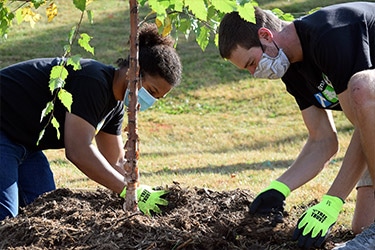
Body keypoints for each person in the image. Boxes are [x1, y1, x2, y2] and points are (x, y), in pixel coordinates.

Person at [218, 2, 375, 249]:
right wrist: (279, 188)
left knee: (363, 87)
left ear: (265, 35)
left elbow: (367, 124)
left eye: (250, 63)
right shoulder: (291, 68)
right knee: (364, 227)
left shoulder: (330, 34)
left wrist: (331, 202)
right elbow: (323, 140)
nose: (254, 73)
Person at [0, 23, 182, 221]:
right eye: (151, 91)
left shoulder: (115, 106)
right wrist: (125, 189)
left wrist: (138, 190)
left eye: (157, 98)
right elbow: (78, 150)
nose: (150, 100)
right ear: (133, 71)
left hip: (25, 144)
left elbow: (116, 161)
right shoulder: (93, 81)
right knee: (6, 218)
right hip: (3, 132)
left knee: (43, 213)